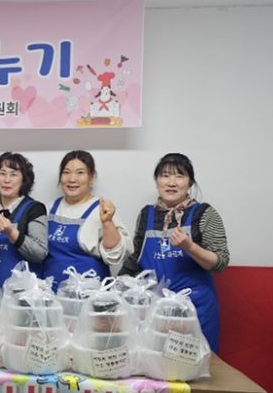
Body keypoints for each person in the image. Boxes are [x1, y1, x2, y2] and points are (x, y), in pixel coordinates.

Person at [120, 153, 229, 352]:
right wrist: (116, 287)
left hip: (194, 307)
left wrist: (189, 247)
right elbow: (137, 257)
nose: (171, 182)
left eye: (179, 176)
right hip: (153, 309)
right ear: (157, 181)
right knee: (154, 363)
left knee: (193, 364)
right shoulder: (146, 214)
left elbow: (220, 262)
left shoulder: (204, 213)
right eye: (165, 176)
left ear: (190, 182)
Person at [43, 150, 132, 286]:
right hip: (51, 291)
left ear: (92, 177)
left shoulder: (102, 210)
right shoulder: (48, 209)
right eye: (66, 172)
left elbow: (115, 256)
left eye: (80, 173)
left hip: (89, 292)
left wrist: (107, 223)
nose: (72, 179)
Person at [0, 152, 48, 286]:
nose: (7, 180)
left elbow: (40, 254)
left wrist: (12, 233)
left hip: (22, 293)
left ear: (24, 180)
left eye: (13, 174)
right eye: (2, 173)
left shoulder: (34, 209)